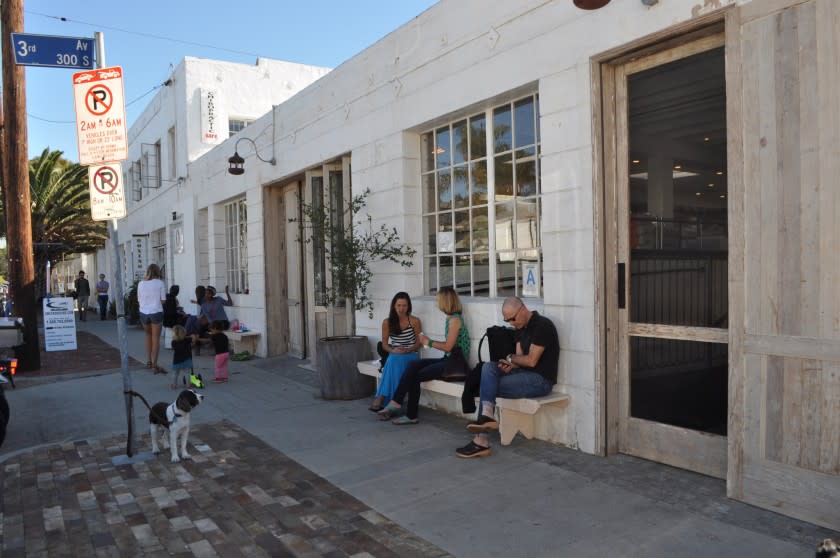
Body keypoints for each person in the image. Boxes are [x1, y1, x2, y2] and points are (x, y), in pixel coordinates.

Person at [455, 296, 560, 459]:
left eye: (512, 318)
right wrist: (510, 364)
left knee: (487, 383)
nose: (511, 323)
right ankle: (487, 416)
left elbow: (531, 361)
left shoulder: (542, 325)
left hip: (540, 380)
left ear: (523, 309)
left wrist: (511, 358)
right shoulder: (520, 328)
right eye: (507, 320)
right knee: (489, 367)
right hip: (523, 374)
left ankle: (481, 439)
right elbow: (520, 359)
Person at [379, 286, 469, 425]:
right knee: (413, 365)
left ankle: (409, 414)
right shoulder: (451, 318)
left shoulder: (455, 320)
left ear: (446, 301)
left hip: (454, 364)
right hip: (448, 359)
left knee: (415, 375)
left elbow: (448, 347)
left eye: (438, 300)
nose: (437, 303)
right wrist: (427, 341)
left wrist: (428, 341)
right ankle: (397, 402)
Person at [368, 292, 422, 412]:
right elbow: (384, 344)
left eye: (404, 305)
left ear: (409, 307)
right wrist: (393, 350)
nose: (401, 309)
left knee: (392, 361)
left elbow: (419, 343)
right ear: (394, 306)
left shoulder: (414, 321)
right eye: (399, 305)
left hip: (411, 354)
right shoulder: (387, 322)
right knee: (393, 359)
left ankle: (381, 398)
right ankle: (390, 404)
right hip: (395, 353)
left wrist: (407, 349)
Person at [137, 263, 167, 374]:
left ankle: (149, 361)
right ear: (158, 272)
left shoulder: (141, 283)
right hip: (156, 312)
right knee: (156, 339)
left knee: (148, 336)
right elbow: (163, 300)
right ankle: (155, 365)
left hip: (143, 312)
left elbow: (139, 299)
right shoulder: (160, 283)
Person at [169, 325, 193, 390]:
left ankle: (174, 384)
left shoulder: (173, 342)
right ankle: (188, 385)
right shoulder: (187, 340)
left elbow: (174, 348)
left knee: (175, 374)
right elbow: (191, 338)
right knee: (188, 373)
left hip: (177, 361)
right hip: (187, 359)